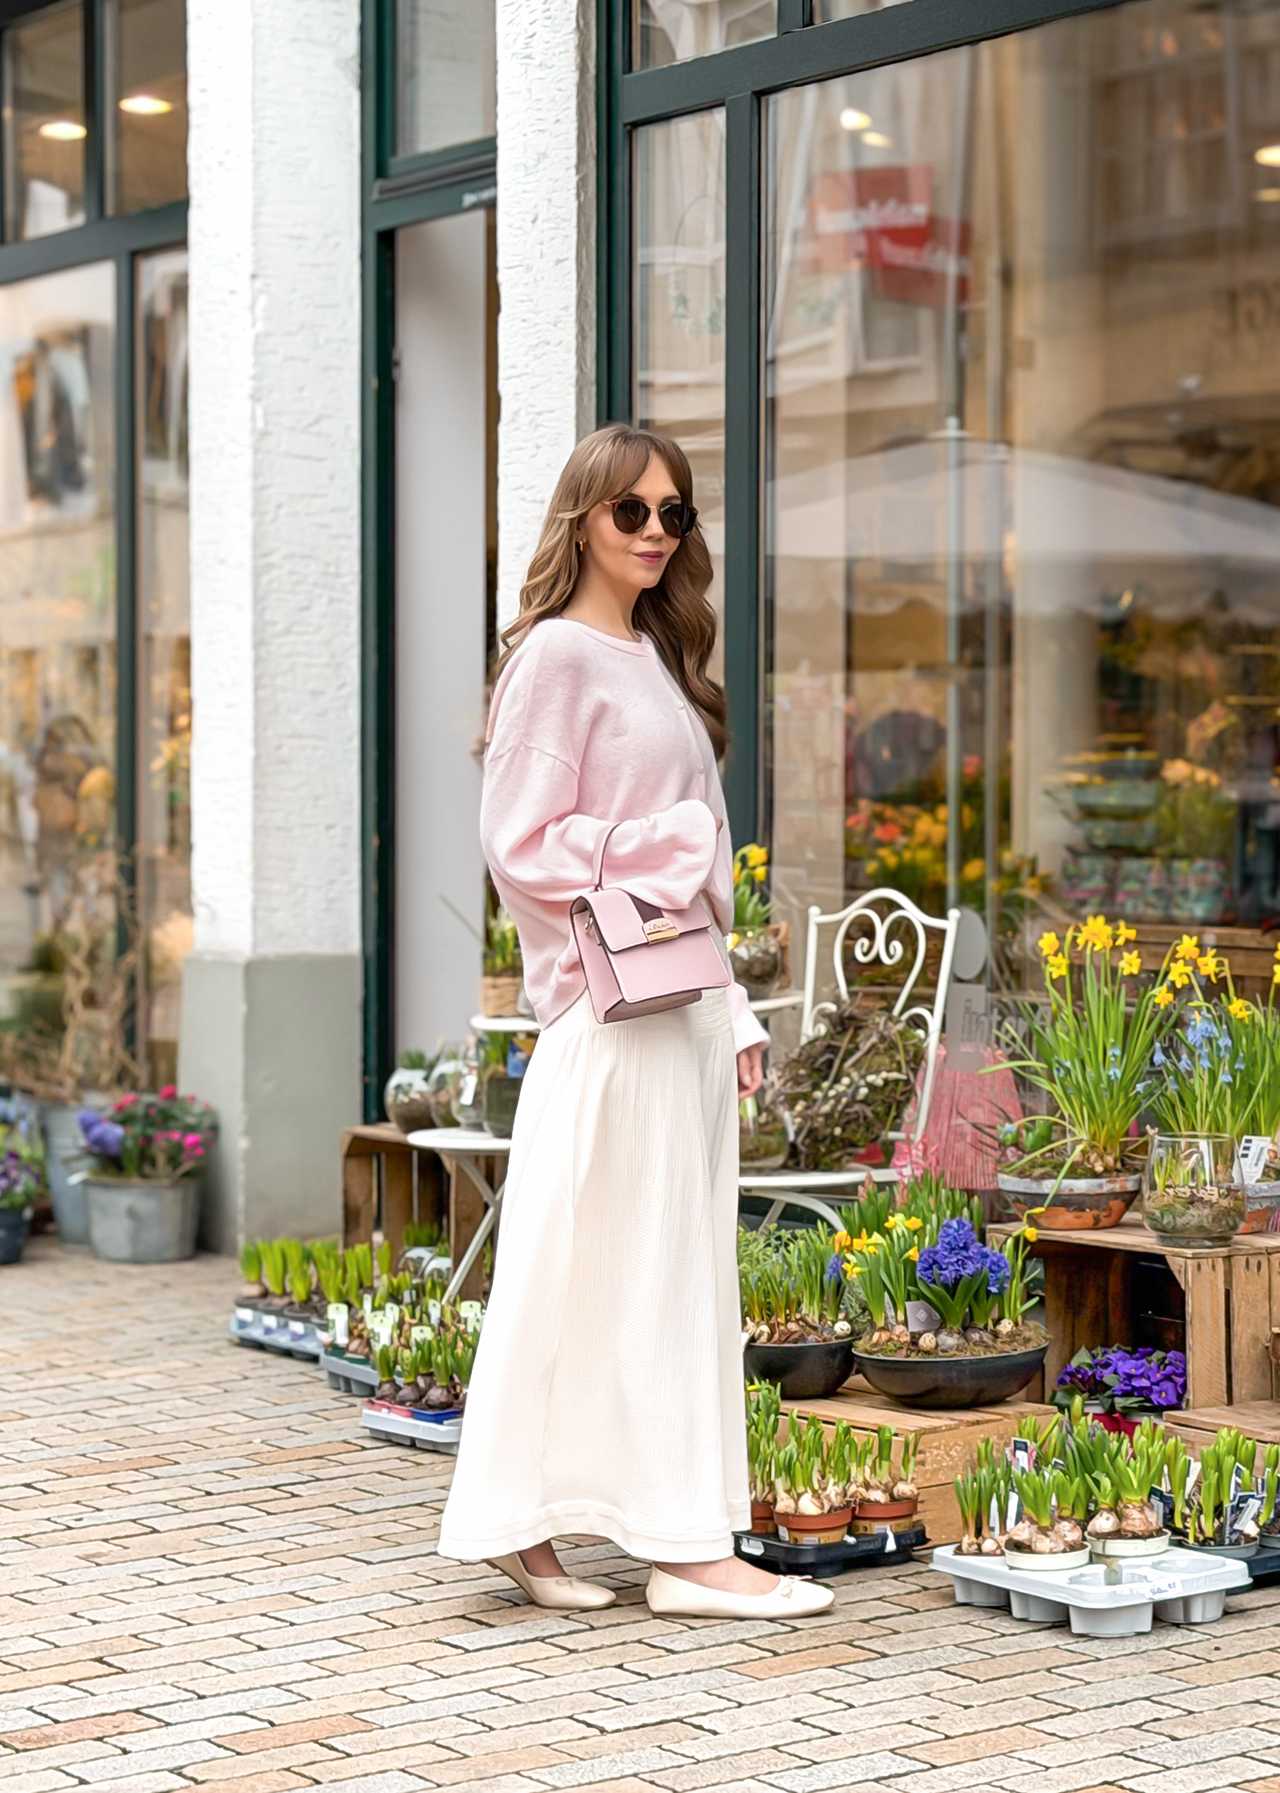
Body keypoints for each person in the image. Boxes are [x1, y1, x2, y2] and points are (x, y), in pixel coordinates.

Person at [435, 424, 833, 1620]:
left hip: (676, 1010)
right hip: (609, 1020)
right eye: (632, 513)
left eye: (674, 513)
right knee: (618, 1271)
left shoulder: (652, 657)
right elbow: (517, 844)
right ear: (581, 522)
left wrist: (731, 1002)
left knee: (622, 1273)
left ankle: (531, 1522)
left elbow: (701, 871)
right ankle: (683, 1551)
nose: (657, 532)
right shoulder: (556, 657)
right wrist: (655, 847)